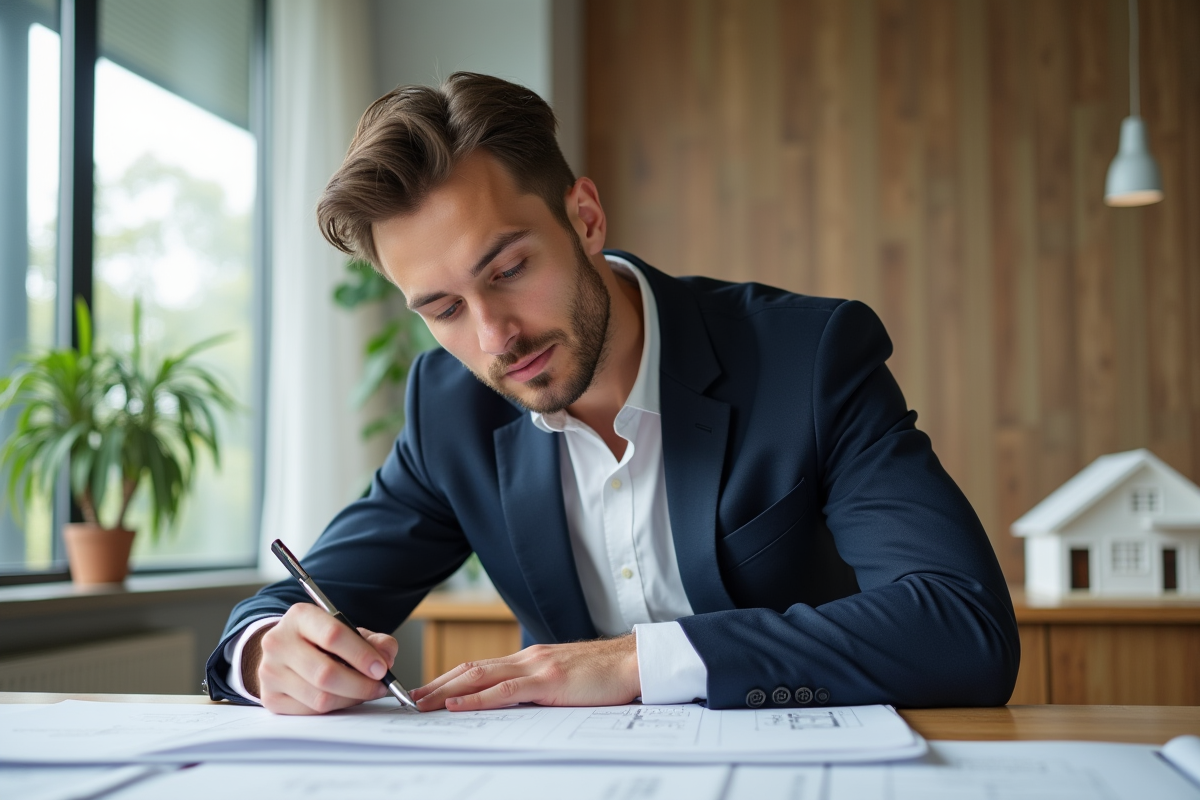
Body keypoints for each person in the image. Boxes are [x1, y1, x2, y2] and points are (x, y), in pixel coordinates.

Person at [205, 72, 1019, 716]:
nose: (494, 338)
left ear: (585, 217)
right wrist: (267, 650)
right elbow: (292, 602)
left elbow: (961, 627)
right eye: (444, 309)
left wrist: (633, 661)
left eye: (510, 270)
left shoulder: (806, 357)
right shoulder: (451, 406)